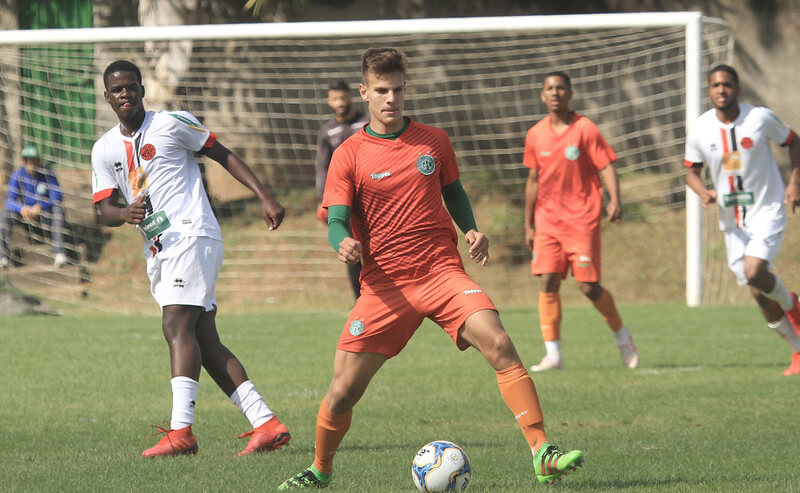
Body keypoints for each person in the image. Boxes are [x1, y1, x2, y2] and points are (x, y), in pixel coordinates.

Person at [278, 48, 583, 490]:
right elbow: (338, 217)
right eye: (381, 91)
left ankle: (542, 452)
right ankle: (319, 469)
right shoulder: (349, 154)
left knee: (499, 342)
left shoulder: (433, 140)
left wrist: (472, 230)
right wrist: (339, 241)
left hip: (442, 273)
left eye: (398, 89)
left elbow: (454, 191)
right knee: (343, 391)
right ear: (364, 91)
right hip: (385, 287)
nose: (391, 99)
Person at [91, 60, 290, 457]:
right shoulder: (104, 149)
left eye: (131, 86)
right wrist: (125, 214)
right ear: (108, 97)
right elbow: (104, 211)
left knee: (175, 324)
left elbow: (222, 154)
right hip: (160, 248)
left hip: (192, 233)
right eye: (117, 90)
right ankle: (266, 423)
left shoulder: (172, 123)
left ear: (142, 89)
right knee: (204, 339)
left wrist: (264, 195)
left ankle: (181, 432)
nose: (125, 94)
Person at [684, 64, 800, 376]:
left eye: (727, 84)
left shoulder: (760, 118)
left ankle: (795, 309)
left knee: (755, 270)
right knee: (756, 288)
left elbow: (793, 140)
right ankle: (798, 351)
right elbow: (691, 170)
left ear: (737, 88)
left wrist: (794, 182)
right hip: (731, 221)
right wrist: (703, 192)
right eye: (715, 85)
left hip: (767, 209)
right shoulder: (700, 128)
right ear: (709, 91)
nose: (721, 90)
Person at [523, 71, 638, 372]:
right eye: (549, 88)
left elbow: (607, 165)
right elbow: (533, 180)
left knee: (588, 286)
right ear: (542, 95)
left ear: (570, 93)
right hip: (547, 222)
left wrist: (615, 199)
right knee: (547, 281)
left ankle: (622, 334)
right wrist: (528, 224)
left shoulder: (585, 129)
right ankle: (553, 355)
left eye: (561, 87)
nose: (555, 93)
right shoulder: (536, 134)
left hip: (581, 220)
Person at [315, 79, 370, 300]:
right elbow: (322, 166)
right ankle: (361, 301)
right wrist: (321, 198)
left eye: (342, 97)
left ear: (350, 97)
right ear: (329, 101)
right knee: (350, 248)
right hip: (344, 200)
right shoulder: (328, 131)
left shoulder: (366, 122)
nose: (339, 102)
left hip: (370, 196)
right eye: (335, 98)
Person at [0, 144, 67, 269]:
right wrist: (21, 208)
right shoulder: (18, 175)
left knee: (58, 211)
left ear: (39, 160)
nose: (30, 163)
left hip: (45, 215)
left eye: (33, 159)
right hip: (24, 215)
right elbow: (9, 200)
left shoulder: (48, 174)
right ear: (23, 161)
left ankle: (59, 254)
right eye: (27, 160)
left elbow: (57, 197)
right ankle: (3, 257)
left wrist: (41, 206)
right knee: (5, 214)